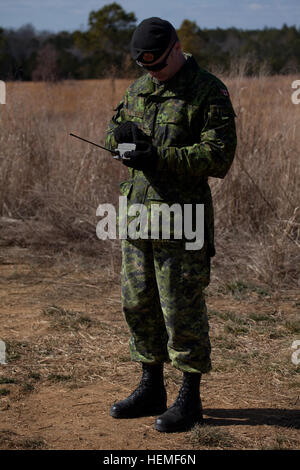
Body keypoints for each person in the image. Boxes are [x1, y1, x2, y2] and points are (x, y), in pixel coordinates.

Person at [105, 17, 237, 433]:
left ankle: (190, 398)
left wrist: (157, 156)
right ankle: (151, 387)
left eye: (159, 65)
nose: (153, 73)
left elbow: (219, 157)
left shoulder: (207, 90)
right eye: (145, 67)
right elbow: (114, 131)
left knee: (181, 310)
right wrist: (121, 142)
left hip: (183, 220)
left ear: (177, 49)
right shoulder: (139, 87)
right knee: (138, 304)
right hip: (139, 216)